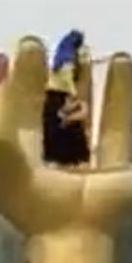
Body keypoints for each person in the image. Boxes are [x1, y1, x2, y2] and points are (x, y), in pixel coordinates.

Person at [42, 30, 90, 167]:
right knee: (70, 130)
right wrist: (76, 95)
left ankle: (55, 160)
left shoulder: (59, 58)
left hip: (52, 98)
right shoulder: (68, 62)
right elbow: (68, 81)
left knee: (55, 129)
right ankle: (71, 160)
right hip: (60, 97)